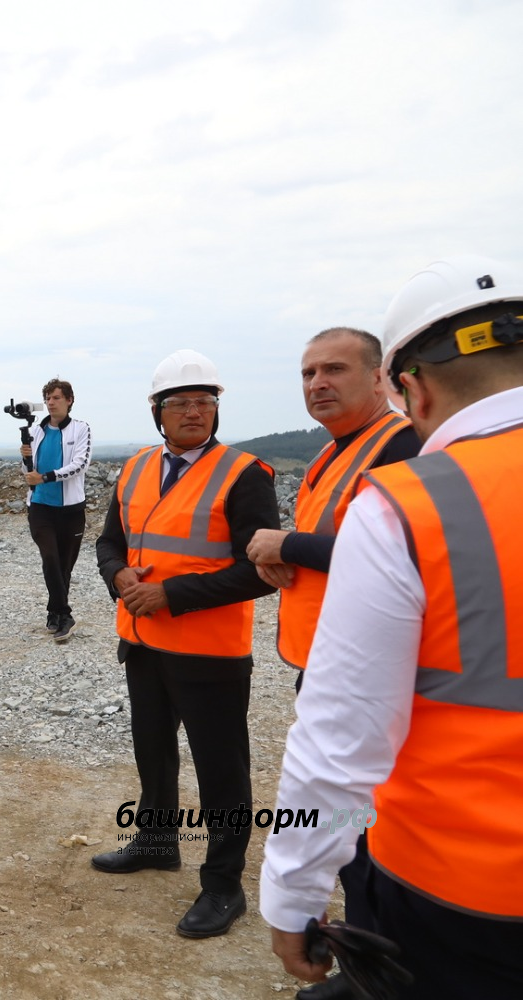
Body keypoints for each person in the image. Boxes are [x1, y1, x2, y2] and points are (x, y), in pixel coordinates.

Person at [261, 256, 523, 997]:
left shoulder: (414, 501)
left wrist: (293, 894)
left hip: (463, 892)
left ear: (408, 387)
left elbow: (340, 740)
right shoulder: (346, 466)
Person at [246, 328, 418, 1000]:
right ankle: (366, 962)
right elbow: (336, 546)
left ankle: (380, 971)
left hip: (370, 672)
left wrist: (287, 543)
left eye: (335, 369)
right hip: (326, 660)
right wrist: (290, 555)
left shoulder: (401, 446)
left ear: (380, 378)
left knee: (371, 829)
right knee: (357, 833)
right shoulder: (337, 451)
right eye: (308, 372)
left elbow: (393, 546)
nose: (318, 383)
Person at [91, 350, 279, 938]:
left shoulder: (245, 474)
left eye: (205, 401)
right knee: (153, 753)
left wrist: (171, 595)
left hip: (210, 652)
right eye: (181, 402)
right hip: (143, 643)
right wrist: (118, 576)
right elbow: (108, 543)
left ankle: (223, 885)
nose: (194, 411)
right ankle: (156, 842)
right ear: (158, 411)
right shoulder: (136, 468)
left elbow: (260, 572)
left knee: (222, 771)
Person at [19, 378, 93, 642]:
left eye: (56, 398)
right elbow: (28, 472)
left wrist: (46, 477)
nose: (51, 403)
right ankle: (65, 615)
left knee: (64, 565)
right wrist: (25, 458)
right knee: (50, 557)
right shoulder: (36, 431)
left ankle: (54, 612)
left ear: (69, 400)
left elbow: (81, 464)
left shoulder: (81, 429)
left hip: (71, 510)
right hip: (40, 507)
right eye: (48, 398)